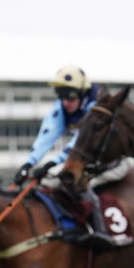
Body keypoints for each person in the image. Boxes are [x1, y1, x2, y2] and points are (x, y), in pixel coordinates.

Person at [13, 65, 120, 249]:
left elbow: (79, 143)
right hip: (86, 159)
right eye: (61, 96)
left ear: (82, 93)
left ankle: (101, 233)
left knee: (83, 185)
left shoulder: (97, 107)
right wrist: (28, 164)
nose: (65, 103)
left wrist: (52, 163)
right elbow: (46, 136)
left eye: (70, 97)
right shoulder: (61, 108)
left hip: (112, 160)